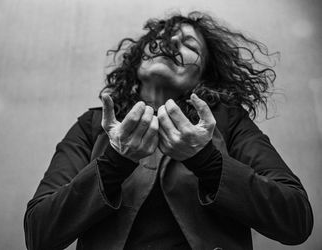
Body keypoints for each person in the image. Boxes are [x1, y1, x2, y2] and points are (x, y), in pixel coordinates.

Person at [24, 11, 313, 250]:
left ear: (203, 74)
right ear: (137, 61)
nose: (171, 42)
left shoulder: (228, 122)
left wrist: (206, 160)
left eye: (188, 43)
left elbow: (295, 220)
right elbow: (39, 234)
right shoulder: (92, 126)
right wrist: (114, 162)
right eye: (159, 39)